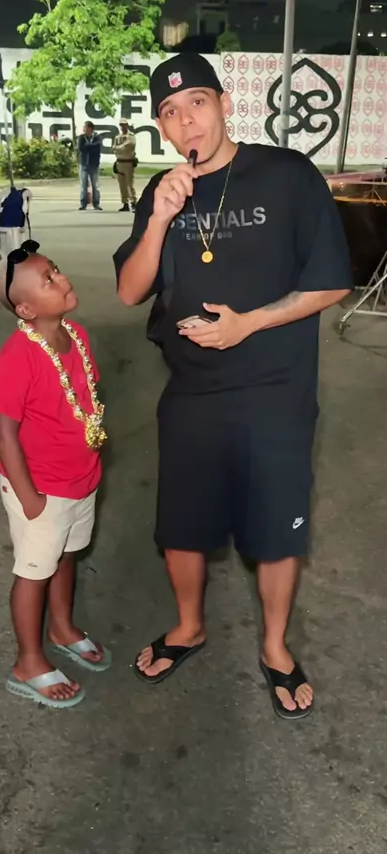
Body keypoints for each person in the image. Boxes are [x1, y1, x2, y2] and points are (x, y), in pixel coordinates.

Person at [114, 53, 352, 719]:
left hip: (276, 390)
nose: (185, 120)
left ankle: (275, 646)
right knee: (182, 524)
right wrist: (158, 219)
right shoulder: (162, 191)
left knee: (278, 530)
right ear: (161, 128)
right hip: (192, 391)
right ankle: (189, 626)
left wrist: (248, 324)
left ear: (223, 104)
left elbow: (332, 282)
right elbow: (130, 291)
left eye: (196, 102)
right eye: (169, 112)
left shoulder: (287, 175)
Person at [0, 239, 110, 709]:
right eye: (49, 280)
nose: (63, 279)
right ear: (26, 309)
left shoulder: (76, 335)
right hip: (39, 489)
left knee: (67, 556)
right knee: (34, 572)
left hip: (81, 479)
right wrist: (30, 499)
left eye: (55, 270)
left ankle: (61, 627)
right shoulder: (17, 357)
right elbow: (3, 435)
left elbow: (82, 398)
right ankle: (28, 660)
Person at [113, 119, 137, 212]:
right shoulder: (117, 137)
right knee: (122, 185)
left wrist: (118, 148)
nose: (122, 127)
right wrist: (119, 148)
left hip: (128, 162)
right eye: (121, 125)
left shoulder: (130, 136)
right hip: (120, 162)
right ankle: (125, 203)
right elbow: (114, 148)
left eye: (124, 125)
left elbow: (129, 145)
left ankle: (133, 202)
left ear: (127, 125)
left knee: (129, 184)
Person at [77, 121, 102, 211]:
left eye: (86, 128)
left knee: (95, 185)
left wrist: (88, 146)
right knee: (83, 185)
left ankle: (96, 203)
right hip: (84, 164)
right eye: (84, 128)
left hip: (94, 164)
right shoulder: (81, 137)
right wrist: (90, 147)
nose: (84, 129)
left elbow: (98, 147)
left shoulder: (97, 137)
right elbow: (81, 148)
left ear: (91, 129)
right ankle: (83, 204)